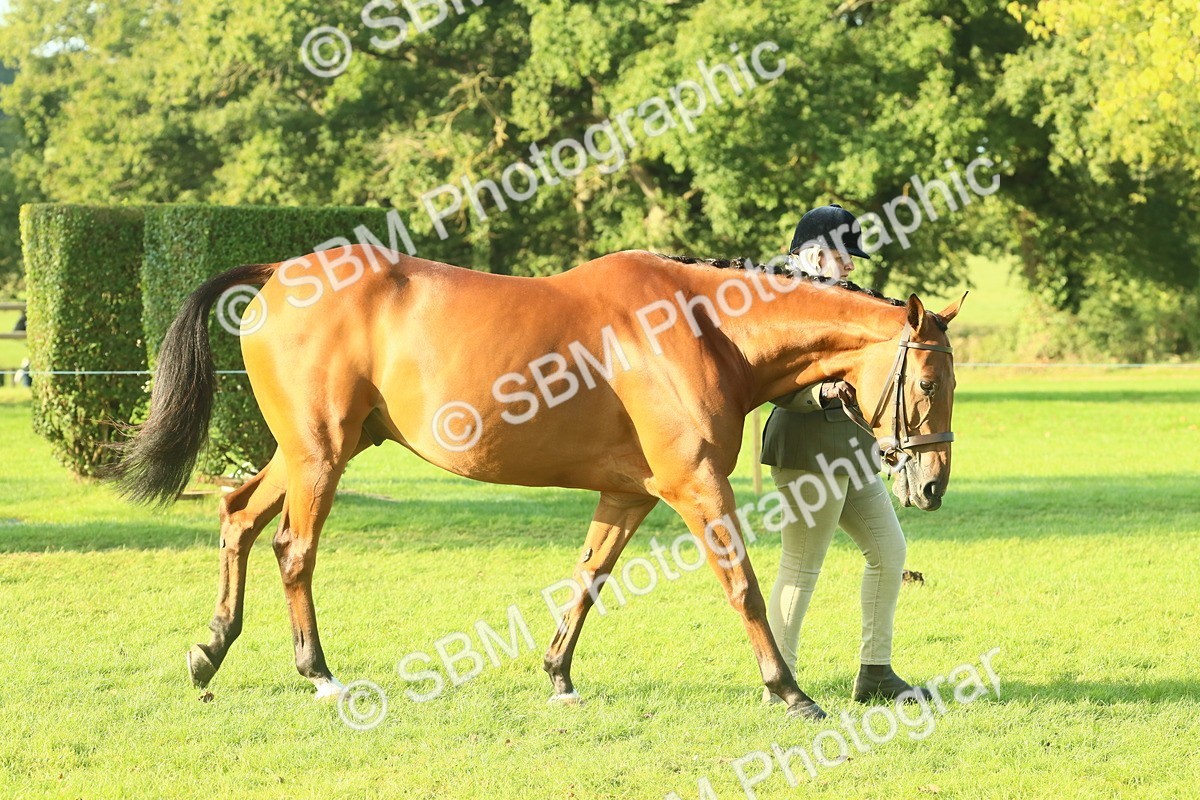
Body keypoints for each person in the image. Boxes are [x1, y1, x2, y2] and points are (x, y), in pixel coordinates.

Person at [760, 204, 930, 704]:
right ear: (813, 255)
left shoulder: (842, 305)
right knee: (801, 566)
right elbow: (771, 381)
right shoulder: (785, 304)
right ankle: (779, 682)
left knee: (888, 551)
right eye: (843, 257)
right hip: (807, 451)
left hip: (853, 453)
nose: (853, 266)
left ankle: (875, 672)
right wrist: (821, 394)